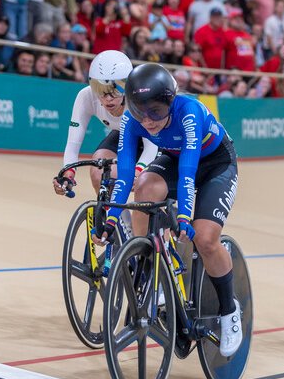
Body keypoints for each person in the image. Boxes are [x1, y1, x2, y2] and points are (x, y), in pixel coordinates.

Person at [92, 63, 243, 357]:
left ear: (170, 102)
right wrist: (110, 221)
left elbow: (188, 173)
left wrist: (185, 216)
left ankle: (229, 311)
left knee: (205, 238)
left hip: (215, 165)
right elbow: (124, 177)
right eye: (140, 112)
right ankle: (151, 265)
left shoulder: (190, 111)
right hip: (174, 160)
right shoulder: (132, 120)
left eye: (157, 112)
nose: (148, 121)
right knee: (144, 189)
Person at [54, 50, 158, 196]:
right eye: (100, 89)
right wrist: (68, 173)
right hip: (124, 135)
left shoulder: (139, 99)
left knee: (145, 191)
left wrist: (138, 170)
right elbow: (73, 144)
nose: (108, 98)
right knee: (99, 172)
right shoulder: (86, 96)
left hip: (154, 139)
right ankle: (116, 218)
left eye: (115, 90)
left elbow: (151, 146)